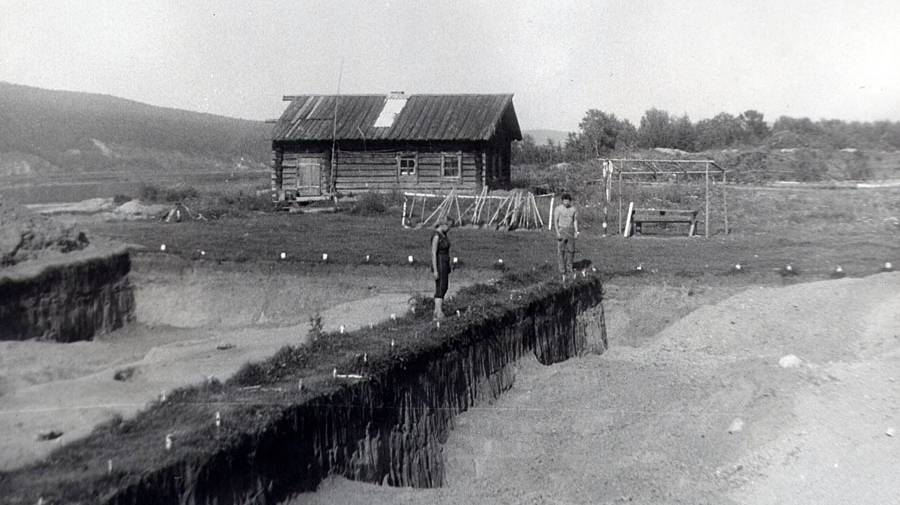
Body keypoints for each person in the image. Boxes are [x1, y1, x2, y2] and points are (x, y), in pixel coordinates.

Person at [430, 218, 452, 320]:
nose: (449, 229)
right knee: (440, 286)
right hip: (439, 262)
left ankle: (437, 310)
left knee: (445, 286)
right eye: (448, 226)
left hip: (445, 262)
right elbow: (433, 253)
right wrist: (435, 270)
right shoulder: (436, 236)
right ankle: (438, 312)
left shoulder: (444, 235)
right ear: (443, 225)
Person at [554, 193, 579, 275]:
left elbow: (575, 220)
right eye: (564, 200)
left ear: (570, 201)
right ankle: (562, 270)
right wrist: (557, 232)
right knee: (561, 251)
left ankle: (569, 268)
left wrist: (576, 231)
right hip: (562, 230)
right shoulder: (558, 209)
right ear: (562, 201)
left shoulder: (573, 209)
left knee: (571, 251)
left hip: (570, 230)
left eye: (567, 201)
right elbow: (555, 221)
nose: (566, 202)